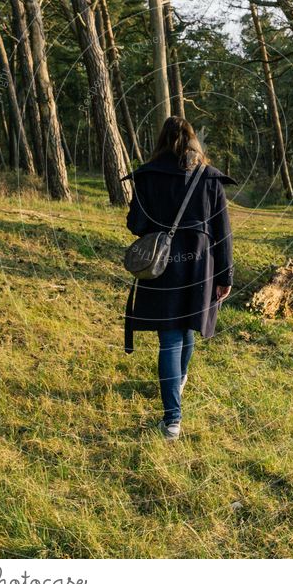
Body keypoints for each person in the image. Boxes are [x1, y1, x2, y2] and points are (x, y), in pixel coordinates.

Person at [123, 116, 235, 440]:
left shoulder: (147, 176)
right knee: (184, 329)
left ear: (161, 141)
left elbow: (135, 225)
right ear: (193, 142)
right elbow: (222, 232)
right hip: (200, 265)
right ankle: (174, 408)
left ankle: (173, 414)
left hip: (163, 265)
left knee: (173, 336)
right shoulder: (208, 177)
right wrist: (225, 275)